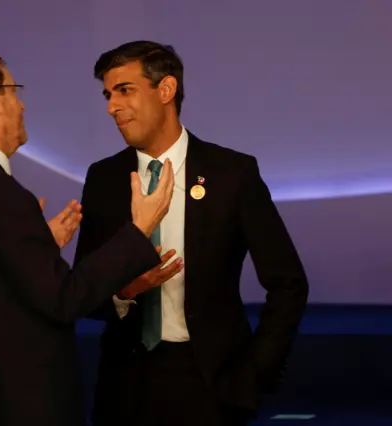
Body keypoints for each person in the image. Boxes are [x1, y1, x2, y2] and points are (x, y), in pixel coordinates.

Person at [0, 50, 176, 426]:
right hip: (18, 405)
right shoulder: (3, 196)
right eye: (13, 90)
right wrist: (138, 230)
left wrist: (39, 247)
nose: (22, 103)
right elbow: (65, 299)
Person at [73, 41, 309, 426]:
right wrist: (125, 292)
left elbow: (288, 283)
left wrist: (254, 374)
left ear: (165, 90)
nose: (111, 107)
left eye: (124, 91)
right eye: (107, 94)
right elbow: (84, 291)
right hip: (125, 386)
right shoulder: (103, 178)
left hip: (210, 385)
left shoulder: (232, 173)